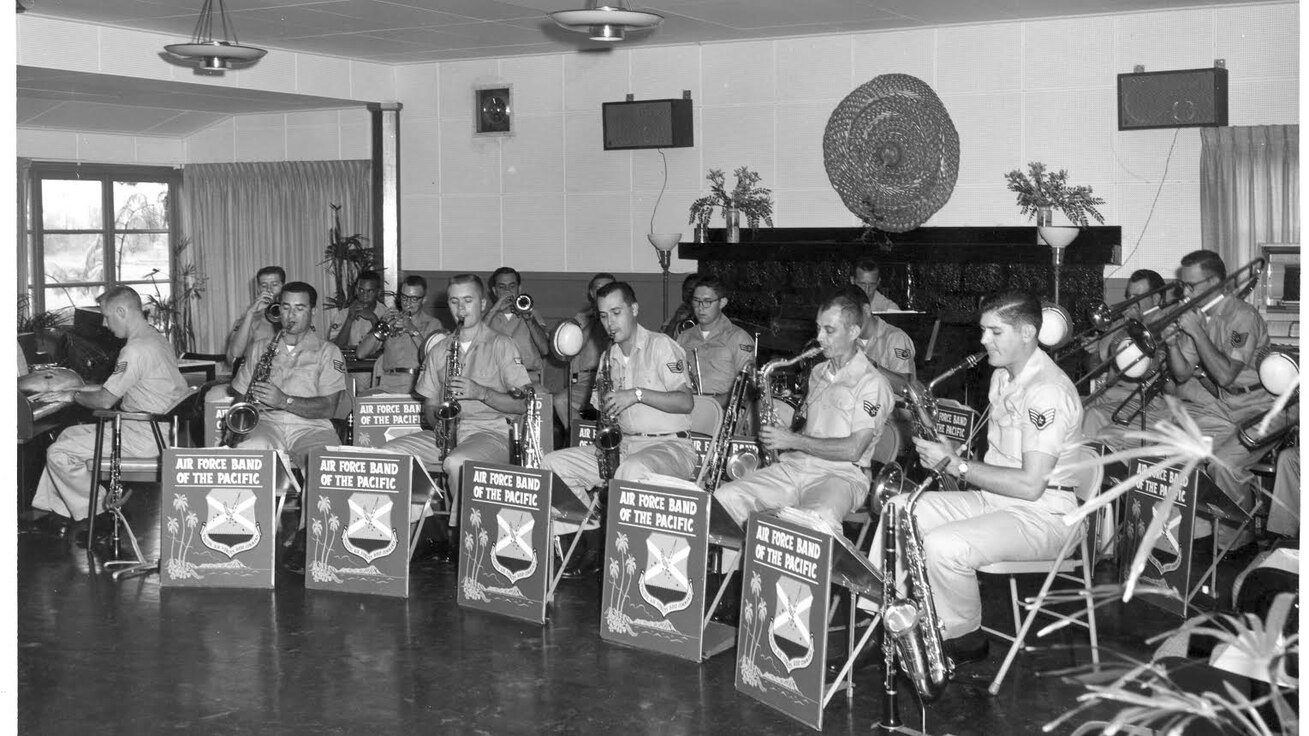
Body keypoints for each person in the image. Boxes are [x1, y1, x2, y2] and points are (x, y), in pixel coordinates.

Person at [880, 290, 1085, 665]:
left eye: (994, 332)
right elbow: (997, 461)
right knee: (898, 509)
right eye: (983, 331)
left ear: (1026, 333)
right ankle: (882, 615)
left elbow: (1030, 484)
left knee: (945, 545)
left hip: (1045, 514)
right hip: (996, 502)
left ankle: (964, 635)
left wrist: (956, 465)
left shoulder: (1048, 392)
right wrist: (949, 452)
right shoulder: (1003, 377)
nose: (982, 340)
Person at [1088, 251, 1273, 544]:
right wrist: (1173, 344)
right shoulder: (1196, 316)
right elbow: (1183, 373)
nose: (1184, 292)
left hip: (1252, 408)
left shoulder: (1242, 317)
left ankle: (1232, 544)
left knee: (1209, 461)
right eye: (1183, 285)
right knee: (1136, 441)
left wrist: (1197, 332)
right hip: (1215, 407)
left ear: (1215, 282)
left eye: (1190, 285)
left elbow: (1227, 376)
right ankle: (1156, 528)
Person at [715, 291, 894, 534]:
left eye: (829, 331)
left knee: (813, 521)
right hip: (796, 467)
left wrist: (793, 440)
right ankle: (741, 570)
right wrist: (785, 429)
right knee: (726, 498)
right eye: (818, 328)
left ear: (853, 333)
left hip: (841, 476)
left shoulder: (873, 383)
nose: (820, 338)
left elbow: (853, 449)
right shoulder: (818, 371)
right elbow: (811, 429)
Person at [30, 286, 189, 540]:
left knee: (57, 452)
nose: (104, 324)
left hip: (144, 434)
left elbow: (104, 400)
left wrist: (73, 395)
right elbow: (118, 387)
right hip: (160, 428)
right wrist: (76, 387)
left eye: (106, 316)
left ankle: (101, 513)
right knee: (67, 436)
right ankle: (60, 512)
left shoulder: (134, 351)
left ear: (122, 311)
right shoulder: (154, 339)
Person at [380, 274, 530, 513]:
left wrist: (481, 393)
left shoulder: (503, 345)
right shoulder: (439, 349)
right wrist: (437, 424)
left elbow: (521, 405)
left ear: (482, 304)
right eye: (454, 301)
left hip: (492, 434)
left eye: (468, 300)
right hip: (449, 435)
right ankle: (424, 521)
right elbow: (429, 405)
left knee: (458, 463)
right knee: (388, 455)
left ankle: (462, 538)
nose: (461, 308)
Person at [542, 281, 697, 502]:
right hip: (623, 447)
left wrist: (637, 394)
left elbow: (686, 402)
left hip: (670, 446)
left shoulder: (661, 345)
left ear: (634, 310)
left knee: (631, 471)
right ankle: (590, 526)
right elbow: (605, 413)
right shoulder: (607, 358)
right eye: (604, 316)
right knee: (552, 464)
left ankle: (619, 533)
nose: (609, 323)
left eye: (616, 313)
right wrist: (601, 442)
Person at [228, 282, 348, 469]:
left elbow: (329, 408)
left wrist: (284, 401)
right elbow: (240, 394)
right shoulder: (260, 347)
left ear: (313, 311)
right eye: (286, 307)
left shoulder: (328, 351)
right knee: (248, 454)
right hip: (265, 424)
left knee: (327, 466)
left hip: (312, 428)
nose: (290, 315)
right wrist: (240, 425)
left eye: (299, 308)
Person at [1082, 269, 1169, 434]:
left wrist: (1132, 328)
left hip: (1143, 399)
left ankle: (1089, 457)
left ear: (1156, 299)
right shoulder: (1123, 323)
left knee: (1094, 416)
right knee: (1071, 407)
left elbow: (1144, 371)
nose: (1130, 302)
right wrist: (1093, 349)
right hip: (1111, 394)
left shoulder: (1163, 325)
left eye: (1136, 297)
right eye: (1129, 296)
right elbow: (1094, 369)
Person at [355, 275, 446, 394]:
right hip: (388, 385)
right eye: (404, 297)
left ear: (423, 299)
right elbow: (361, 353)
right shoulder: (391, 320)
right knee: (361, 402)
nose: (408, 303)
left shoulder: (433, 324)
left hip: (418, 384)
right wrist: (381, 324)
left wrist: (411, 329)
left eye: (414, 299)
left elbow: (435, 358)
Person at [676, 275, 755, 406]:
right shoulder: (684, 337)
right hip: (688, 406)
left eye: (707, 301)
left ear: (722, 303)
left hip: (722, 409)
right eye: (696, 301)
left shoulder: (738, 337)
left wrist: (712, 404)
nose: (701, 308)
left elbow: (746, 386)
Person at [553, 272, 616, 431]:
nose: (602, 293)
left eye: (607, 289)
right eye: (598, 289)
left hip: (615, 376)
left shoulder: (620, 315)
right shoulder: (581, 318)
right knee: (560, 401)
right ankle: (580, 440)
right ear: (591, 293)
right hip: (586, 380)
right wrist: (594, 319)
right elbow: (572, 350)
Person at [842, 285, 916, 395]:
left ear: (866, 310)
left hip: (895, 409)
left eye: (850, 316)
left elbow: (905, 387)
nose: (846, 323)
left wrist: (868, 364)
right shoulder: (846, 340)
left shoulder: (895, 338)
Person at [485, 266, 551, 386]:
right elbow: (473, 342)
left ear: (519, 288)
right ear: (494, 291)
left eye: (512, 286)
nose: (507, 291)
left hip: (529, 378)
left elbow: (545, 349)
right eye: (502, 287)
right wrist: (494, 310)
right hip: (496, 379)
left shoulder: (532, 314)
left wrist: (529, 320)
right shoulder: (487, 318)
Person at [225, 265, 284, 367]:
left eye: (274, 284)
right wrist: (250, 314)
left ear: (283, 286)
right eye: (264, 286)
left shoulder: (294, 316)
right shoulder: (248, 319)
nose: (269, 290)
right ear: (258, 290)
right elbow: (233, 359)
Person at [327, 270, 386, 353]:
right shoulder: (343, 314)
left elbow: (389, 349)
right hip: (349, 364)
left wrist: (374, 319)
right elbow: (334, 349)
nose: (365, 295)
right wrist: (349, 319)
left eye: (370, 291)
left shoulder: (387, 314)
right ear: (356, 290)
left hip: (377, 364)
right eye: (361, 290)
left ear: (378, 292)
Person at [661, 273, 700, 337]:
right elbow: (663, 342)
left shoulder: (709, 316)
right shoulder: (676, 316)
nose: (690, 294)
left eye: (694, 291)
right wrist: (674, 321)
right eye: (687, 290)